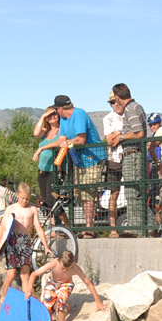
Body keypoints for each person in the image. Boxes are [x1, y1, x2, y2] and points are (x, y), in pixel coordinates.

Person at [51, 95, 106, 236]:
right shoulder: (63, 120)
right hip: (79, 161)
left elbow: (81, 139)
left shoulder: (79, 114)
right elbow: (61, 139)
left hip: (93, 158)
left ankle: (90, 228)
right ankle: (87, 227)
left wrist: (67, 142)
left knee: (88, 192)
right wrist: (64, 142)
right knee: (81, 194)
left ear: (60, 108)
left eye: (56, 109)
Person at [30, 251, 104, 321]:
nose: (65, 270)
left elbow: (88, 283)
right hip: (52, 282)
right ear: (58, 260)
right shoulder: (54, 263)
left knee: (62, 302)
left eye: (67, 268)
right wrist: (29, 290)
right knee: (46, 305)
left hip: (66, 284)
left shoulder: (75, 268)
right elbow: (34, 274)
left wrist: (98, 302)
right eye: (63, 268)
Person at [105, 84, 148, 236]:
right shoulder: (136, 107)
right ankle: (142, 228)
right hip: (134, 154)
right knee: (134, 193)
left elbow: (139, 133)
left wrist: (121, 137)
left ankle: (142, 228)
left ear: (117, 97)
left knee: (132, 193)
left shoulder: (130, 109)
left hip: (133, 154)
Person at [0, 183, 49, 297]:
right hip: (13, 241)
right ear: (17, 195)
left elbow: (39, 228)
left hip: (26, 241)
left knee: (25, 273)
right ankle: (4, 297)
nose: (25, 201)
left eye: (27, 199)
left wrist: (46, 246)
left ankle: (26, 299)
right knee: (11, 273)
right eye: (22, 198)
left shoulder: (32, 209)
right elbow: (2, 228)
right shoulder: (11, 208)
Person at [33, 106, 65, 217]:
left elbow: (59, 143)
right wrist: (42, 116)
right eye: (49, 115)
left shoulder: (62, 130)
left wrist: (42, 148)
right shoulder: (45, 132)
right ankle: (53, 229)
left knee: (52, 199)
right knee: (45, 201)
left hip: (55, 170)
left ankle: (65, 227)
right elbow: (36, 133)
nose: (52, 117)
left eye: (54, 114)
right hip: (42, 170)